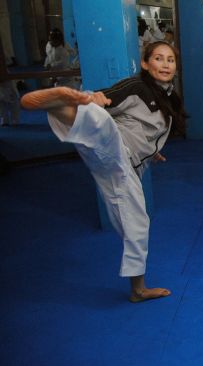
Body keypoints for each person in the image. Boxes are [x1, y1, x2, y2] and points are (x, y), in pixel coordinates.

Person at [20, 41, 186, 302]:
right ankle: (57, 104)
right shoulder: (136, 87)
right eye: (158, 58)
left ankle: (138, 289)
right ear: (145, 63)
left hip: (126, 166)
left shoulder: (169, 96)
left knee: (137, 225)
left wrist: (152, 151)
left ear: (176, 66)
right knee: (99, 120)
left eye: (170, 60)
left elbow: (148, 130)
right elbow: (107, 97)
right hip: (117, 151)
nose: (165, 64)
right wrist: (94, 97)